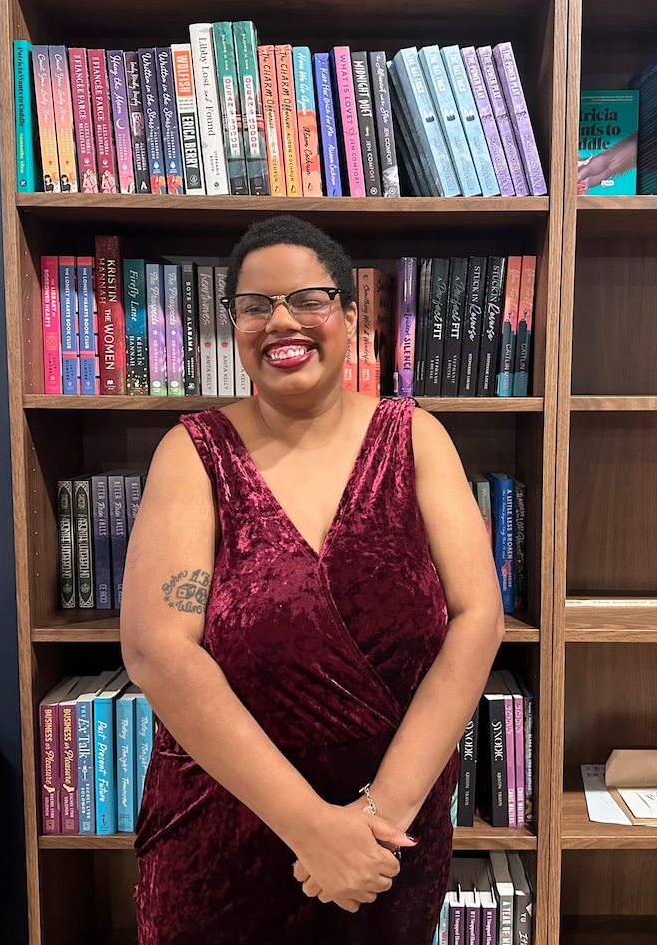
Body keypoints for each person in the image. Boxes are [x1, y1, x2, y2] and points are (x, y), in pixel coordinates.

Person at [120, 215, 505, 944]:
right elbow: (157, 652)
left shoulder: (416, 437)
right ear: (233, 323)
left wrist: (376, 822)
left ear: (351, 314)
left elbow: (477, 616)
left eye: (309, 299)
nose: (281, 322)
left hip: (388, 843)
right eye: (255, 305)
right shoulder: (193, 453)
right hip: (223, 840)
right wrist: (315, 833)